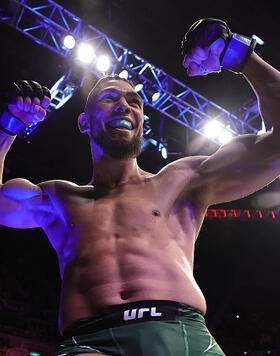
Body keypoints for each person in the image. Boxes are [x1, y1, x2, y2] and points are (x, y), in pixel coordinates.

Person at [0, 18, 280, 356]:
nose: (125, 105)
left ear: (142, 122)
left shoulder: (183, 180)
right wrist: (8, 127)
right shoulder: (60, 198)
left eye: (135, 102)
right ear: (84, 122)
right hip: (91, 342)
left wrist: (236, 53)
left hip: (185, 335)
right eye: (109, 98)